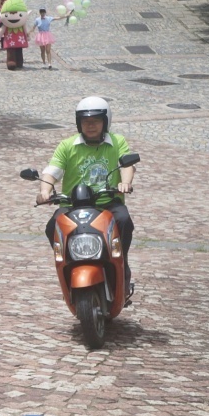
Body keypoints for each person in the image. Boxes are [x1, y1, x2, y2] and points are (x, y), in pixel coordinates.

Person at [37, 97, 136, 295]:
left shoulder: (117, 142)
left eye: (96, 121)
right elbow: (53, 170)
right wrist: (45, 191)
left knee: (124, 220)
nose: (90, 126)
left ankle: (120, 265)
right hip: (73, 204)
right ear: (78, 123)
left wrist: (125, 183)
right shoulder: (67, 145)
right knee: (52, 226)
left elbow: (126, 165)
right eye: (85, 122)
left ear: (105, 122)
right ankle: (68, 264)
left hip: (107, 203)